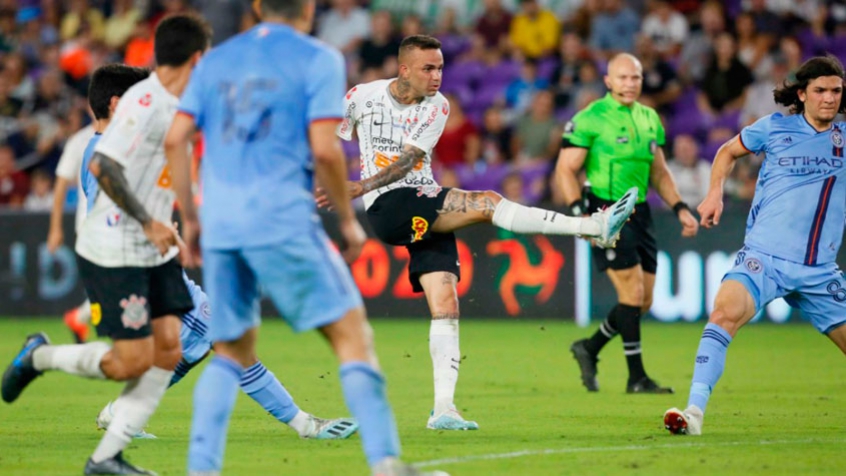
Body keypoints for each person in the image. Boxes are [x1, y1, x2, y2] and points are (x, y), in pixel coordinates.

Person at [164, 2, 449, 475]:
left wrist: (190, 217)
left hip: (222, 221)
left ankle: (202, 469)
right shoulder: (318, 58)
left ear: (257, 7)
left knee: (229, 349)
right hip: (280, 219)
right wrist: (348, 220)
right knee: (352, 338)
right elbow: (324, 148)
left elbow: (177, 140)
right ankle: (386, 464)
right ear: (309, 9)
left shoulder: (216, 59)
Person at [324, 34, 637, 431]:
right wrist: (343, 183)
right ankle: (593, 227)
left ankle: (443, 409)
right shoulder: (361, 96)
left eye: (440, 67)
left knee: (446, 302)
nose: (437, 76)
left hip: (423, 197)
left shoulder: (438, 107)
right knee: (487, 201)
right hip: (389, 207)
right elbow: (331, 140)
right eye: (427, 68)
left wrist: (357, 184)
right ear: (404, 69)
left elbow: (409, 162)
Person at [76, 63, 358, 442]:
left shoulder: (103, 150)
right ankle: (304, 424)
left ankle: (122, 415)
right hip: (142, 272)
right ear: (116, 103)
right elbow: (110, 218)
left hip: (151, 267)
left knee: (190, 349)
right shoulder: (104, 157)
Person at [1, 15, 212, 476]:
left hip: (153, 249)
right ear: (196, 57)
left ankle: (106, 458)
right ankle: (39, 356)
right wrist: (148, 221)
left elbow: (175, 160)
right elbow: (103, 168)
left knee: (171, 349)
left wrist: (186, 222)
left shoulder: (177, 105)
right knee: (128, 362)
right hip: (114, 247)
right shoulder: (144, 101)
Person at [664, 56, 846, 436]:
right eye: (821, 91)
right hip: (763, 257)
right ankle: (694, 412)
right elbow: (727, 151)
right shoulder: (774, 128)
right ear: (802, 93)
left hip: (819, 270)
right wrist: (715, 193)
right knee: (723, 314)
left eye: (836, 91)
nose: (829, 98)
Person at [556, 53, 699, 394]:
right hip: (605, 211)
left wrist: (679, 206)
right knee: (632, 294)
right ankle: (637, 378)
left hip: (640, 211)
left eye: (635, 77)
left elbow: (660, 172)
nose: (629, 84)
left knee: (643, 302)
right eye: (622, 77)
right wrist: (581, 216)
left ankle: (589, 348)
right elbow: (565, 169)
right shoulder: (591, 117)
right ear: (608, 81)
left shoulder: (650, 118)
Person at [47, 120, 95, 344]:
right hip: (89, 225)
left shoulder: (127, 129)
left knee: (112, 284)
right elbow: (61, 184)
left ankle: (79, 317)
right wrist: (55, 228)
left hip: (120, 223)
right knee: (115, 281)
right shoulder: (79, 141)